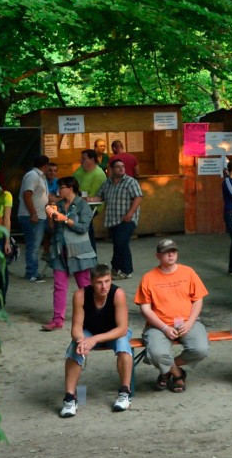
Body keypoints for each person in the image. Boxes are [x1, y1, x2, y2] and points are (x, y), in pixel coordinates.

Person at [135, 239, 209, 393]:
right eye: (166, 252)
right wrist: (164, 327)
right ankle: (177, 374)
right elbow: (145, 309)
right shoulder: (149, 278)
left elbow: (198, 300)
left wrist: (189, 323)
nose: (170, 255)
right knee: (156, 353)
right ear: (157, 256)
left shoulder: (188, 272)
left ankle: (167, 370)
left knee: (201, 349)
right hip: (158, 325)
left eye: (173, 251)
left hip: (188, 321)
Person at [59, 264, 133, 417]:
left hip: (113, 332)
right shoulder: (80, 295)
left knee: (123, 344)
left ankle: (125, 392)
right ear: (91, 282)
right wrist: (81, 340)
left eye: (107, 281)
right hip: (89, 331)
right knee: (75, 347)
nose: (104, 286)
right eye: (99, 282)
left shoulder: (118, 293)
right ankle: (70, 397)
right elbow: (76, 328)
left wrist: (94, 339)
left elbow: (122, 328)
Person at [42, 177, 97, 332]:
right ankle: (57, 320)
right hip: (60, 249)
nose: (59, 191)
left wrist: (65, 219)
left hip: (79, 251)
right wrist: (51, 218)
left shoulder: (82, 205)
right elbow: (52, 230)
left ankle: (92, 317)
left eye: (62, 187)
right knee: (59, 286)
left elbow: (83, 228)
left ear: (71, 188)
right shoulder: (58, 205)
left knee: (85, 285)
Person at [93, 158, 143, 280]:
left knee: (121, 243)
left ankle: (126, 270)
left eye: (123, 166)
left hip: (126, 219)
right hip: (112, 220)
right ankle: (115, 268)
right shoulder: (107, 183)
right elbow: (99, 197)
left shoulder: (130, 182)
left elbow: (138, 197)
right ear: (111, 169)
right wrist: (85, 200)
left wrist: (130, 214)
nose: (121, 168)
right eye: (118, 167)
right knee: (117, 244)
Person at [19, 155, 51, 283]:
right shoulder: (32, 176)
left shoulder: (40, 177)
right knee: (33, 245)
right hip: (31, 217)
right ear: (45, 165)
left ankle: (33, 269)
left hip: (39, 216)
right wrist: (33, 214)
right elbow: (27, 195)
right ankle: (32, 273)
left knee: (37, 243)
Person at [73, 149, 107, 251]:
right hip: (77, 203)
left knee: (86, 227)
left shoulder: (99, 175)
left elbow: (95, 196)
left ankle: (92, 255)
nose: (81, 160)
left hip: (92, 206)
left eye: (84, 158)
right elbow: (71, 183)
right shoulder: (80, 170)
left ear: (92, 160)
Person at [0, 180, 13, 309]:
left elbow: (6, 219)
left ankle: (1, 299)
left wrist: (7, 241)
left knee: (2, 268)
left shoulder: (6, 195)